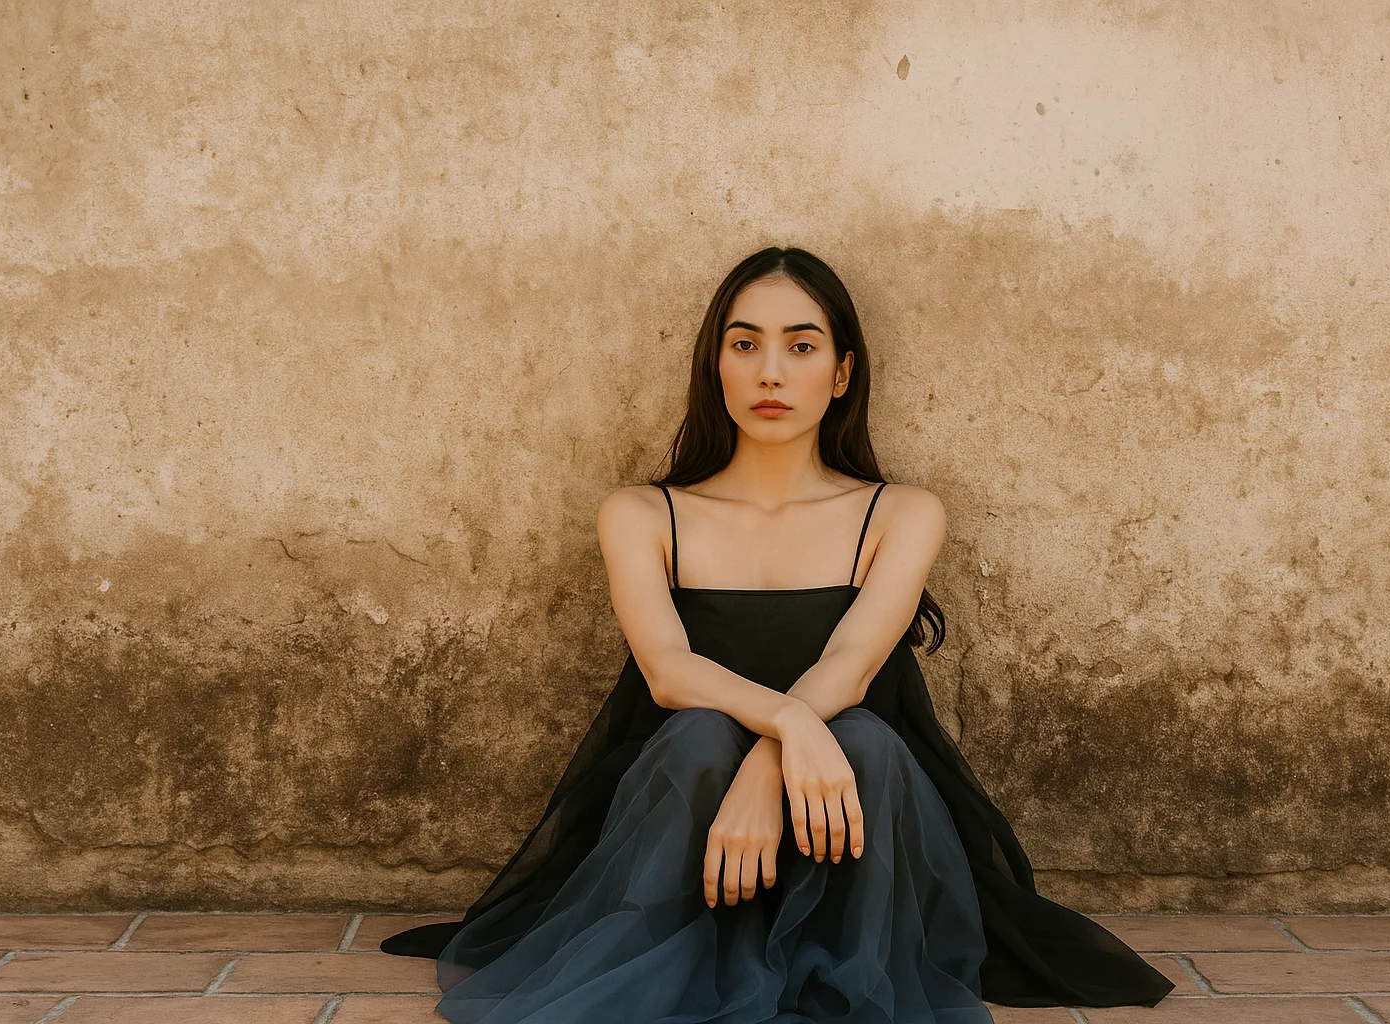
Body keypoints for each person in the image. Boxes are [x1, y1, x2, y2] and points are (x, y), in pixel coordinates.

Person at [379, 246, 1174, 1021]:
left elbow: (853, 665)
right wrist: (787, 723)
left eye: (801, 346)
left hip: (855, 807)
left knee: (862, 741)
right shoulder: (641, 514)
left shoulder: (899, 512)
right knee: (692, 737)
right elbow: (668, 671)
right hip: (689, 813)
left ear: (841, 373)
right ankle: (700, 950)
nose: (770, 372)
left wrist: (771, 761)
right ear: (714, 365)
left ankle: (835, 964)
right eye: (745, 343)